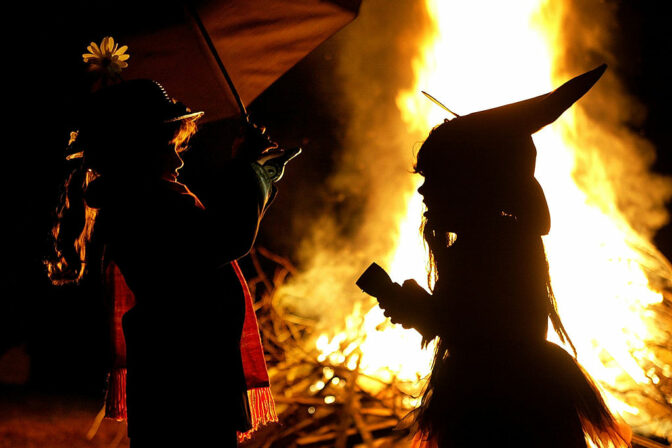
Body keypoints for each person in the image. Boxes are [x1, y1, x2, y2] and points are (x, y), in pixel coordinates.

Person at [365, 65, 631, 447]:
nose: (423, 192)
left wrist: (421, 310)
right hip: (509, 396)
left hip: (502, 409)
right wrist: (420, 309)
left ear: (473, 184)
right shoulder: (498, 239)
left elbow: (487, 335)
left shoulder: (495, 245)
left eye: (434, 178)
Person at [47, 78, 297, 446]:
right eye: (168, 146)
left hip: (179, 374)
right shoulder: (144, 205)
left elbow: (221, 232)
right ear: (135, 150)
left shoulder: (141, 199)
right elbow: (224, 238)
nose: (179, 159)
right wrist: (247, 170)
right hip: (185, 379)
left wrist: (255, 173)